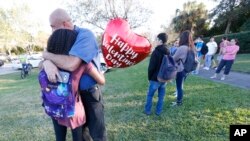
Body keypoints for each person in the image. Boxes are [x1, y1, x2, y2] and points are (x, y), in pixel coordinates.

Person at [42, 8, 107, 141]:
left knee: (97, 133)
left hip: (89, 93)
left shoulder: (85, 35)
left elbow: (71, 64)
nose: (52, 31)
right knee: (82, 135)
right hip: (70, 97)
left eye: (53, 27)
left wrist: (47, 56)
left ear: (65, 24)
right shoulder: (61, 38)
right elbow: (51, 59)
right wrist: (47, 62)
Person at [144, 33, 169, 116]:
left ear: (160, 41)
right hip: (164, 78)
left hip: (155, 78)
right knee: (161, 96)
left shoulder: (156, 52)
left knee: (150, 95)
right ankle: (158, 111)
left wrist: (149, 78)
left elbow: (151, 67)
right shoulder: (168, 51)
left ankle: (148, 111)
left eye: (156, 39)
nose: (155, 41)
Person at [171, 30, 195, 106]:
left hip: (180, 70)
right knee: (181, 85)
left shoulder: (182, 48)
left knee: (179, 87)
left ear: (183, 38)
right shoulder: (191, 48)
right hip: (187, 70)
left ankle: (179, 102)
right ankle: (179, 101)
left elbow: (174, 59)